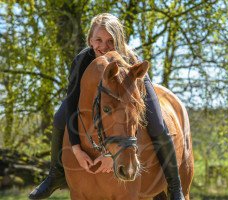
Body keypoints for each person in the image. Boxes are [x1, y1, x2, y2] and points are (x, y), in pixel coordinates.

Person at [28, 13, 184, 200]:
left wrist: (112, 155)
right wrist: (76, 149)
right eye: (99, 40)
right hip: (96, 96)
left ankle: (175, 187)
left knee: (158, 124)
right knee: (59, 117)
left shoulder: (130, 59)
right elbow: (72, 103)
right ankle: (54, 175)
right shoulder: (82, 61)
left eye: (110, 40)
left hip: (133, 84)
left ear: (118, 40)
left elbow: (128, 117)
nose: (104, 46)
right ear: (90, 40)